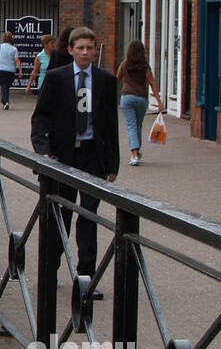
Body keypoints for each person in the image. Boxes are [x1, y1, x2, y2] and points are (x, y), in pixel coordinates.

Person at [30, 26, 118, 299]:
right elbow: (40, 117)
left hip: (92, 155)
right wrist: (43, 150)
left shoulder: (105, 80)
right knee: (61, 215)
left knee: (89, 216)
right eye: (79, 47)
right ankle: (51, 269)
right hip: (63, 155)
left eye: (90, 48)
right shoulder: (57, 78)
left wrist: (112, 164)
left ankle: (86, 278)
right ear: (70, 50)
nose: (85, 52)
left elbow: (110, 123)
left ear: (95, 50)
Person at [115, 38, 161, 166]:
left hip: (127, 98)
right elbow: (152, 82)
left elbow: (116, 81)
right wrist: (158, 100)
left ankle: (134, 154)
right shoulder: (145, 65)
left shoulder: (124, 64)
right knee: (138, 125)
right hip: (141, 99)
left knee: (131, 126)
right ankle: (136, 152)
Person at [0, 33, 20, 108]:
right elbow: (17, 60)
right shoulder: (14, 48)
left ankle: (6, 102)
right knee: (6, 86)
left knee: (4, 86)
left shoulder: (0, 46)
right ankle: (4, 102)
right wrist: (20, 70)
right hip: (11, 70)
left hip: (1, 69)